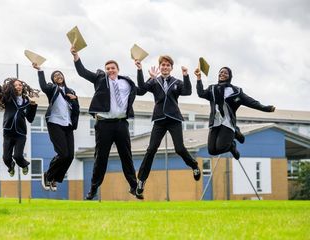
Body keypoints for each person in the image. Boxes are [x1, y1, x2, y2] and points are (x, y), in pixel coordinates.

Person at [71, 46, 145, 200]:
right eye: (108, 68)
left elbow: (142, 90)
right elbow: (82, 72)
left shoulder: (127, 83)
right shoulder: (100, 79)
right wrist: (76, 56)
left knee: (126, 156)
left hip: (121, 124)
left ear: (118, 69)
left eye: (113, 68)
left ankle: (133, 187)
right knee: (100, 158)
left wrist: (139, 69)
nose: (110, 70)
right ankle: (93, 189)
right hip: (104, 124)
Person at [135, 56, 201, 199]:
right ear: (160, 67)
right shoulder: (154, 81)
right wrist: (140, 70)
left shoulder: (177, 82)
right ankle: (141, 181)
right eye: (163, 65)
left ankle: (194, 166)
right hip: (159, 120)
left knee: (179, 149)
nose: (165, 67)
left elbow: (188, 91)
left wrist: (186, 75)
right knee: (151, 149)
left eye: (167, 65)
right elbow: (141, 89)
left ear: (171, 68)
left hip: (174, 119)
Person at [195, 66, 275, 159]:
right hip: (215, 122)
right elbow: (201, 93)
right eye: (221, 72)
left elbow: (251, 102)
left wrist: (266, 108)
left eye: (225, 73)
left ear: (230, 76)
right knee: (211, 150)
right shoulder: (212, 88)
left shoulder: (236, 92)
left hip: (228, 122)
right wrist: (198, 78)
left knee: (221, 147)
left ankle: (232, 144)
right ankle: (233, 141)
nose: (222, 74)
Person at [0, 64, 38, 177]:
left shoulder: (27, 100)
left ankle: (24, 165)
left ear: (22, 87)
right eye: (16, 85)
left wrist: (33, 105)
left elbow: (30, 119)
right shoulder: (8, 98)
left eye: (20, 85)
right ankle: (10, 166)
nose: (18, 86)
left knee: (18, 156)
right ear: (12, 87)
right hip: (8, 132)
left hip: (20, 134)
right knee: (6, 158)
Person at [32, 63, 80, 192]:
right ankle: (48, 175)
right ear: (53, 80)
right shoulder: (52, 88)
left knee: (70, 156)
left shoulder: (71, 92)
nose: (58, 76)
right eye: (55, 76)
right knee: (63, 153)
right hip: (55, 122)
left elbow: (76, 110)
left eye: (60, 74)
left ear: (63, 77)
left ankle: (54, 178)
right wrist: (40, 70)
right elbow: (43, 86)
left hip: (68, 125)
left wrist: (75, 99)